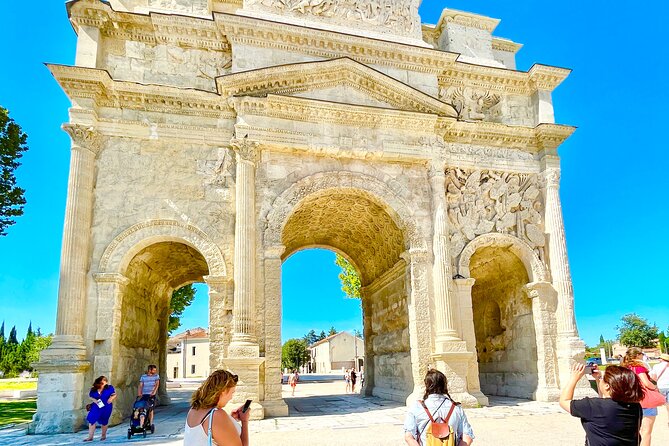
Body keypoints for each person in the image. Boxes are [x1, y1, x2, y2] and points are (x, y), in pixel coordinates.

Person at [559, 363, 643, 446]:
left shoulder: (592, 406)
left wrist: (574, 378)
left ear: (607, 386)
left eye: (603, 378)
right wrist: (598, 378)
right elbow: (606, 401)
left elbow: (564, 401)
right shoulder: (635, 407)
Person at [403, 368, 474, 446]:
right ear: (444, 385)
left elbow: (409, 437)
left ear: (427, 385)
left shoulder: (416, 407)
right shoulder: (456, 408)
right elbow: (467, 437)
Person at [183, 370, 250, 446]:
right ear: (224, 391)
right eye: (232, 392)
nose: (231, 397)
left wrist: (230, 420)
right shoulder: (217, 415)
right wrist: (244, 421)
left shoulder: (194, 409)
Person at [623, 347, 658, 446]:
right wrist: (655, 386)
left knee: (633, 431)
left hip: (630, 400)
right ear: (637, 355)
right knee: (646, 432)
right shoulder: (639, 367)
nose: (643, 356)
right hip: (644, 400)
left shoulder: (625, 368)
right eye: (642, 354)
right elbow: (646, 383)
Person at [84, 375, 116, 442]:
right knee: (92, 419)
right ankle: (90, 437)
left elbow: (114, 394)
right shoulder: (94, 389)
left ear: (106, 383)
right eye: (100, 383)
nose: (101, 384)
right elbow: (90, 396)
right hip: (96, 406)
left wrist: (111, 398)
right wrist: (94, 400)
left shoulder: (109, 388)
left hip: (106, 406)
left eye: (103, 383)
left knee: (104, 421)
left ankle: (103, 435)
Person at [650, 353, 669, 426]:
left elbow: (653, 377)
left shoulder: (656, 366)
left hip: (660, 386)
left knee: (663, 403)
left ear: (661, 359)